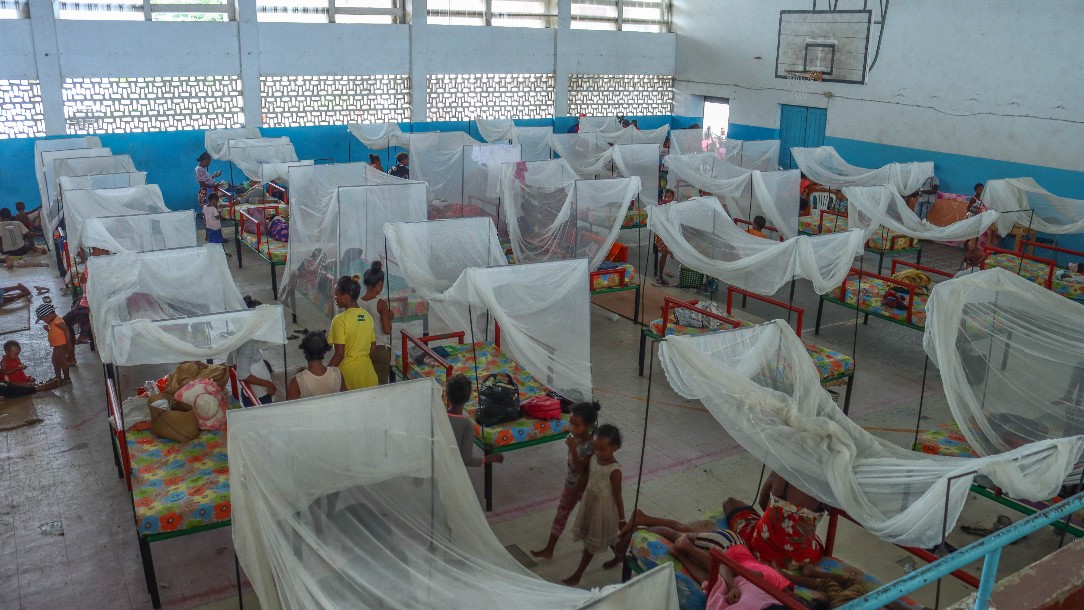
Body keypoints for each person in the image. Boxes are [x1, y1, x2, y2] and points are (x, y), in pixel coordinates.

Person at [531, 401, 601, 560]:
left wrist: (573, 450)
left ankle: (617, 550)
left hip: (585, 489)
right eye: (571, 424)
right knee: (561, 516)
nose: (572, 429)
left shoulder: (591, 445)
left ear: (589, 425)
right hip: (571, 486)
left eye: (577, 425)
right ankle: (549, 549)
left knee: (594, 522)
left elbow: (582, 470)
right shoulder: (575, 438)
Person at [562, 424, 625, 585]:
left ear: (615, 448)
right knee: (607, 537)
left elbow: (618, 496)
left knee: (592, 543)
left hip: (603, 510)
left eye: (602, 449)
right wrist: (577, 491)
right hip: (591, 503)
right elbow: (584, 474)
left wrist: (622, 520)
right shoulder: (594, 459)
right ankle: (619, 556)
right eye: (596, 448)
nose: (597, 452)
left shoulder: (614, 471)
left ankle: (578, 574)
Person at [722, 471, 827, 569]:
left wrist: (778, 519)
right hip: (801, 557)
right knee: (808, 536)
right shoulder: (827, 487)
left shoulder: (781, 473)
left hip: (762, 549)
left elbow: (762, 502)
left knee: (729, 502)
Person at [668, 534, 793, 610]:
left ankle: (681, 553)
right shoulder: (772, 579)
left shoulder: (769, 586)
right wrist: (732, 586)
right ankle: (686, 547)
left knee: (716, 585)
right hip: (730, 543)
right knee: (680, 532)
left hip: (730, 558)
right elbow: (725, 566)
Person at [328, 275, 378, 390]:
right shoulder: (367, 316)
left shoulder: (339, 320)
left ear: (346, 297)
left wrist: (326, 374)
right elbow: (373, 348)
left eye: (336, 294)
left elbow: (339, 354)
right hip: (368, 374)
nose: (335, 297)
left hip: (349, 377)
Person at [443, 373, 504, 468]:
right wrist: (490, 459)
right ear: (468, 398)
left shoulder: (439, 415)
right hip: (451, 471)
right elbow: (466, 460)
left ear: (446, 394)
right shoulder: (466, 425)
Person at [358, 261, 393, 385]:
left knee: (366, 383)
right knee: (380, 385)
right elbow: (387, 330)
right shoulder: (381, 304)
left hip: (363, 348)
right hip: (380, 349)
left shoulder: (357, 303)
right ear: (379, 284)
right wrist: (389, 316)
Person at [286, 332, 345, 400]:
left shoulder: (297, 381)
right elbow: (347, 399)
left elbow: (290, 408)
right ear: (325, 351)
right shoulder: (337, 373)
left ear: (305, 351)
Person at [36, 304, 71, 385]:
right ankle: (58, 378)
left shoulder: (57, 320)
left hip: (61, 346)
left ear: (47, 316)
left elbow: (66, 330)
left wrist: (68, 343)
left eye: (43, 319)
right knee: (55, 362)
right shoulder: (52, 322)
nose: (44, 321)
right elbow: (55, 333)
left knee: (62, 362)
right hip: (56, 347)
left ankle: (67, 378)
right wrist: (48, 330)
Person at [234, 341, 276, 405]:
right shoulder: (247, 346)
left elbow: (232, 363)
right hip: (258, 396)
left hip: (257, 393)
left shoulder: (243, 343)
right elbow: (242, 375)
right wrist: (269, 384)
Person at [655, 191, 675, 286]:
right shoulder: (661, 207)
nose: (667, 199)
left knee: (665, 254)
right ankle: (660, 276)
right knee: (664, 253)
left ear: (673, 198)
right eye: (665, 197)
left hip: (669, 232)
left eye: (669, 197)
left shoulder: (673, 207)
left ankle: (660, 276)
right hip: (661, 233)